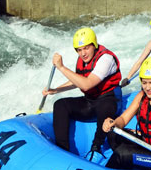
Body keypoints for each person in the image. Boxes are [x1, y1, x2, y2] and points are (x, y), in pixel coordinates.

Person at [45, 27, 122, 159]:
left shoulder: (106, 59)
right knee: (60, 104)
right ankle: (62, 150)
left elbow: (87, 84)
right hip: (91, 101)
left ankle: (96, 149)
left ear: (94, 45)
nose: (83, 53)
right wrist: (57, 90)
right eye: (79, 50)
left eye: (86, 48)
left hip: (110, 100)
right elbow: (79, 80)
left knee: (104, 106)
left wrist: (62, 67)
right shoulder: (83, 60)